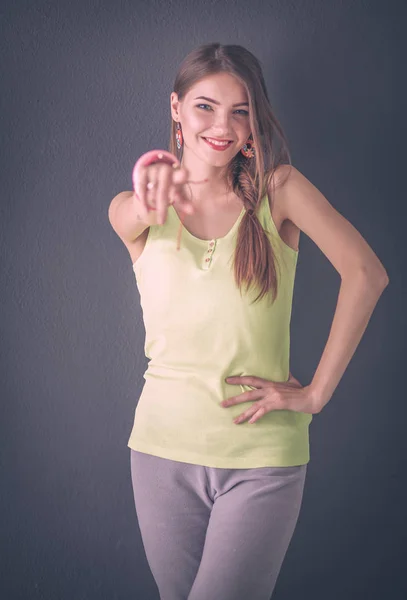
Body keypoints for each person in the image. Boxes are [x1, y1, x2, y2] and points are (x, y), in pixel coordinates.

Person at [108, 43, 389, 600]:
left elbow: (366, 273)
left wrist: (314, 394)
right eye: (205, 107)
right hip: (162, 452)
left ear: (255, 119)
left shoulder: (278, 191)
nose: (223, 125)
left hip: (262, 459)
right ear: (176, 110)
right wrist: (153, 192)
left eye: (241, 111)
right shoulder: (138, 210)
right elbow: (130, 211)